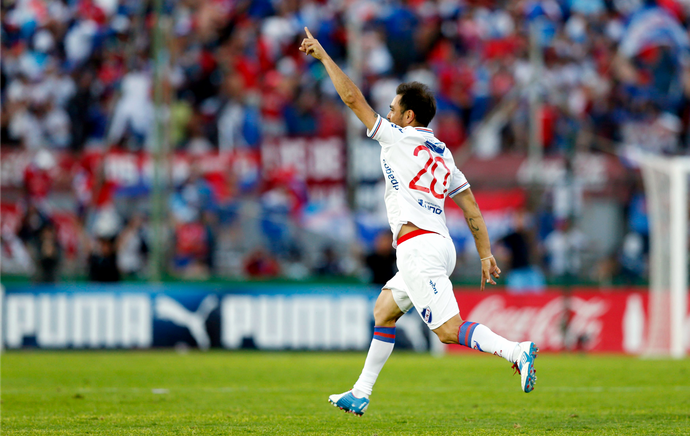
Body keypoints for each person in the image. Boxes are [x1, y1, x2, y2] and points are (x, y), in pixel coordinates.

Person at [299, 28, 539, 416]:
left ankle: (516, 350)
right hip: (440, 245)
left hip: (418, 248)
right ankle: (361, 392)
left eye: (393, 109)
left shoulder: (397, 138)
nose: (388, 113)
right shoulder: (444, 154)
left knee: (447, 330)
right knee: (384, 311)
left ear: (408, 116)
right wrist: (485, 254)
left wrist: (326, 58)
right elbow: (471, 207)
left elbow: (350, 98)